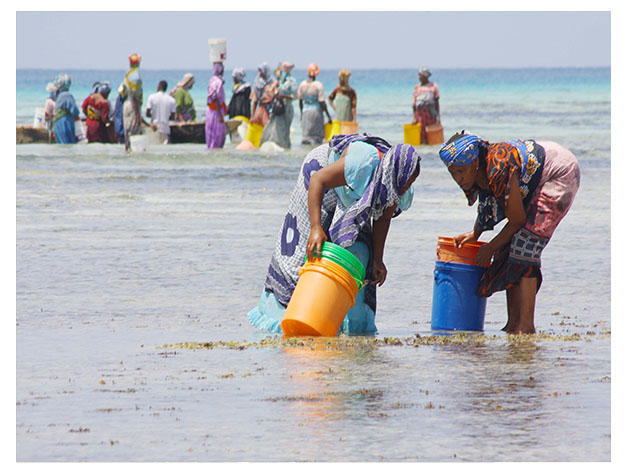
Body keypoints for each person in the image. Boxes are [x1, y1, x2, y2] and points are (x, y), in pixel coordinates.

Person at [248, 134, 421, 334]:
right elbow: (317, 180)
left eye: (408, 184)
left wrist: (378, 260)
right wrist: (315, 228)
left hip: (355, 195)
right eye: (406, 184)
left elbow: (383, 218)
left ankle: (348, 325)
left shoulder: (396, 183)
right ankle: (290, 316)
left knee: (359, 254)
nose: (406, 188)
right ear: (394, 174)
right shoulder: (364, 163)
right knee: (309, 250)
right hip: (322, 179)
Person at [439, 132, 581, 334]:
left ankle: (525, 325)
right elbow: (490, 201)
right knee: (507, 248)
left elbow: (517, 220)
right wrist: (475, 234)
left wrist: (490, 247)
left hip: (559, 173)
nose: (458, 178)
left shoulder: (498, 168)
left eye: (461, 171)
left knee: (525, 246)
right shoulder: (480, 173)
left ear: (475, 164)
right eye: (453, 173)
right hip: (536, 176)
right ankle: (513, 323)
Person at [260, 61, 298, 149]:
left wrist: (283, 96)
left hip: (287, 107)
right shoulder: (280, 80)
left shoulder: (291, 81)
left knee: (285, 129)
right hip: (278, 107)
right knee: (275, 128)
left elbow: (295, 96)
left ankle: (285, 147)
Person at [119, 53, 148, 151]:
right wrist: (138, 115)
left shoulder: (128, 74)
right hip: (133, 106)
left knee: (128, 132)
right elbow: (136, 97)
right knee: (134, 131)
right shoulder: (135, 76)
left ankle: (127, 150)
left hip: (127, 105)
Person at [299, 63, 333, 145]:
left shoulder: (302, 84)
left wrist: (301, 114)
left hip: (305, 112)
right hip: (316, 113)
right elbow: (322, 102)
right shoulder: (318, 85)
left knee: (306, 137)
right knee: (317, 137)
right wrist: (328, 116)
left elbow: (300, 102)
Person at [412, 67, 440, 144]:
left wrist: (438, 117)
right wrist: (414, 118)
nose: (419, 77)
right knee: (421, 135)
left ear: (425, 76)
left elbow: (436, 102)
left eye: (420, 75)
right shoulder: (417, 87)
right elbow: (414, 104)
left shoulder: (433, 86)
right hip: (420, 115)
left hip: (430, 114)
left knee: (431, 134)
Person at [49, 73, 79, 144]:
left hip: (58, 122)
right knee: (68, 144)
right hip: (65, 123)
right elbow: (75, 111)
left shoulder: (58, 95)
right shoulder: (67, 95)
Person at [205, 62, 227, 149]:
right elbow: (216, 99)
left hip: (211, 112)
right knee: (218, 137)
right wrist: (221, 116)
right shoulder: (218, 82)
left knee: (211, 137)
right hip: (216, 113)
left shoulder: (212, 80)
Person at [250, 62, 277, 127]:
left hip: (270, 110)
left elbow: (276, 97)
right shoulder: (258, 84)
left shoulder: (273, 83)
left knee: (268, 131)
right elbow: (255, 102)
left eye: (261, 71)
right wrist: (252, 116)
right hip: (261, 110)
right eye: (259, 71)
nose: (260, 73)